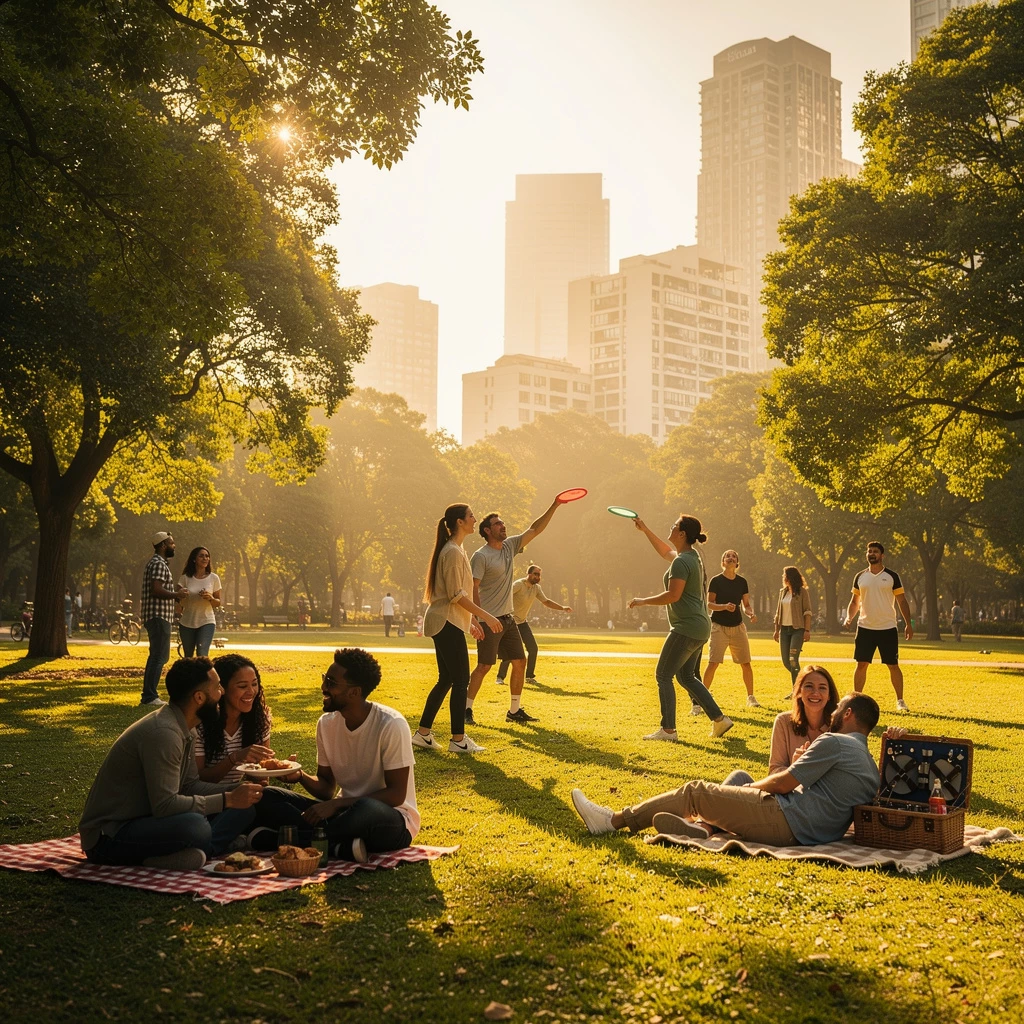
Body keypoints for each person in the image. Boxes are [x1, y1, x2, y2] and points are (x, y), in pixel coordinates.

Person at [571, 692, 882, 846]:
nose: (834, 713)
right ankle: (701, 829)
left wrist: (747, 793)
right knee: (741, 777)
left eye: (839, 708)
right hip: (810, 829)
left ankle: (613, 821)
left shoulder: (835, 743)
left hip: (788, 821)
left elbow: (784, 783)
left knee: (696, 792)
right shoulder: (868, 762)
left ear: (849, 713)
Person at [78, 657, 264, 870]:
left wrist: (236, 791)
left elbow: (189, 786)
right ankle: (195, 850)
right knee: (196, 826)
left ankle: (199, 852)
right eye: (217, 687)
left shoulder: (187, 726)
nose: (222, 692)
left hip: (149, 821)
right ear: (199, 697)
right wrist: (227, 799)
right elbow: (165, 805)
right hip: (110, 835)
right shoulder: (164, 734)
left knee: (245, 807)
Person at [250, 649, 418, 863]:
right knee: (267, 796)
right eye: (325, 679)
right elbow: (327, 788)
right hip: (342, 817)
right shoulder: (327, 724)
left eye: (331, 683)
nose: (323, 687)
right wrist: (299, 775)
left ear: (354, 692)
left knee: (365, 810)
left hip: (389, 819)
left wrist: (338, 805)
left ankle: (281, 840)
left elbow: (396, 795)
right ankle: (339, 847)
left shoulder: (391, 724)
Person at [628, 515, 733, 741]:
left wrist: (643, 601)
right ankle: (719, 719)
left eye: (674, 526)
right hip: (700, 626)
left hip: (686, 627)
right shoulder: (691, 557)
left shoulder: (682, 562)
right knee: (686, 677)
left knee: (663, 675)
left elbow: (673, 595)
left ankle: (668, 730)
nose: (671, 527)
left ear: (683, 533)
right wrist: (645, 529)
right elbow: (666, 551)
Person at [465, 496, 566, 725]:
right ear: (487, 530)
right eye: (498, 524)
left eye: (503, 523)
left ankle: (514, 711)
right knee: (484, 666)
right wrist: (478, 619)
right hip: (488, 620)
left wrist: (555, 505)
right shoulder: (481, 556)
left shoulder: (510, 546)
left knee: (520, 662)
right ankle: (466, 709)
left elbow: (534, 529)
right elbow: (473, 588)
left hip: (508, 620)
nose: (503, 526)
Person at [414, 503, 501, 754]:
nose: (475, 519)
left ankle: (423, 734)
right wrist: (484, 616)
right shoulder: (452, 552)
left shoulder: (458, 550)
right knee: (460, 679)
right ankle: (458, 739)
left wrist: (472, 621)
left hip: (448, 620)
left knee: (447, 679)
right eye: (471, 516)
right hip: (445, 622)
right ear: (460, 522)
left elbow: (454, 595)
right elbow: (456, 595)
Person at [722, 665, 840, 787]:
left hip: (811, 800)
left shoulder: (839, 728)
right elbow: (774, 770)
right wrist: (794, 768)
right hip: (783, 796)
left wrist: (800, 769)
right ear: (799, 691)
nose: (815, 693)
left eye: (822, 688)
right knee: (738, 777)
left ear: (829, 695)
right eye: (809, 686)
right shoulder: (783, 721)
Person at [843, 541, 913, 712]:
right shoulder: (860, 576)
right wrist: (848, 617)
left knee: (893, 665)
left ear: (882, 555)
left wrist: (908, 624)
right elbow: (854, 601)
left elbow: (902, 601)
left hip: (887, 628)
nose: (871, 554)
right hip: (865, 627)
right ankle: (856, 700)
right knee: (861, 664)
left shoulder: (891, 576)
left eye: (875, 551)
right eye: (869, 551)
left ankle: (900, 701)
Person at [195, 654, 274, 782]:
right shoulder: (200, 723)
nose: (251, 691)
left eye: (254, 684)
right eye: (242, 686)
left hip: (241, 796)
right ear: (221, 688)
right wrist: (235, 758)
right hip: (207, 798)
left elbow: (261, 778)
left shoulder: (259, 719)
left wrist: (274, 770)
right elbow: (199, 779)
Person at [701, 550, 760, 709]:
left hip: (738, 627)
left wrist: (750, 613)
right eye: (727, 556)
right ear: (723, 562)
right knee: (713, 663)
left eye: (734, 556)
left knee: (746, 663)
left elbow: (746, 605)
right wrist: (724, 607)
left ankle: (751, 697)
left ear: (737, 563)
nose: (731, 558)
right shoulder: (716, 581)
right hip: (719, 627)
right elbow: (709, 604)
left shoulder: (742, 582)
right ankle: (702, 699)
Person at [496, 565, 573, 685]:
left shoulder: (536, 588)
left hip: (522, 622)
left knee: (533, 648)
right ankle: (500, 677)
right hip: (510, 622)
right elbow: (505, 595)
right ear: (529, 574)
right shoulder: (518, 585)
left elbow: (546, 601)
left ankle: (529, 676)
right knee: (511, 651)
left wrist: (562, 608)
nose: (537, 577)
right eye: (535, 574)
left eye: (539, 575)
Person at [140, 532, 188, 707]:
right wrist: (176, 594)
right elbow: (156, 590)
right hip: (158, 616)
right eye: (171, 543)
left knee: (159, 655)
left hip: (159, 615)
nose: (174, 546)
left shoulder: (158, 564)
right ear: (162, 545)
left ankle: (149, 694)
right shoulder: (158, 564)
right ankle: (149, 696)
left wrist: (175, 599)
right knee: (158, 656)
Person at [773, 566, 813, 693]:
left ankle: (796, 691)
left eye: (785, 575)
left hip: (797, 630)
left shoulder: (802, 592)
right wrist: (776, 629)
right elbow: (778, 612)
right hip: (784, 631)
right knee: (786, 662)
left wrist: (806, 630)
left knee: (793, 660)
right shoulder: (782, 592)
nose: (783, 577)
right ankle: (804, 679)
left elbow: (807, 612)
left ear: (790, 577)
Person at [177, 546, 222, 658]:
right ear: (194, 559)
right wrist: (182, 595)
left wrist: (210, 598)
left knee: (202, 653)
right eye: (201, 556)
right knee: (188, 656)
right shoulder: (185, 578)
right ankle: (190, 676)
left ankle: (203, 676)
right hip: (187, 622)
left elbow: (218, 602)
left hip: (207, 621)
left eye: (207, 556)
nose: (205, 558)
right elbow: (177, 599)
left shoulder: (214, 578)